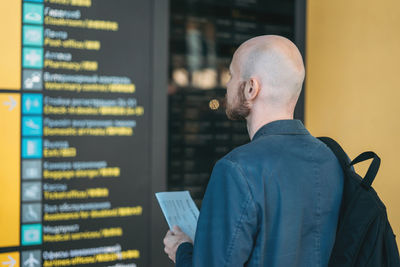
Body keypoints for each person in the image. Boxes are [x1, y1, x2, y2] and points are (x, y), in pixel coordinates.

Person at [163, 35, 344, 267]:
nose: (227, 85)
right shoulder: (331, 159)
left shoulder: (236, 169)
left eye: (231, 75)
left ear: (251, 88)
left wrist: (182, 251)